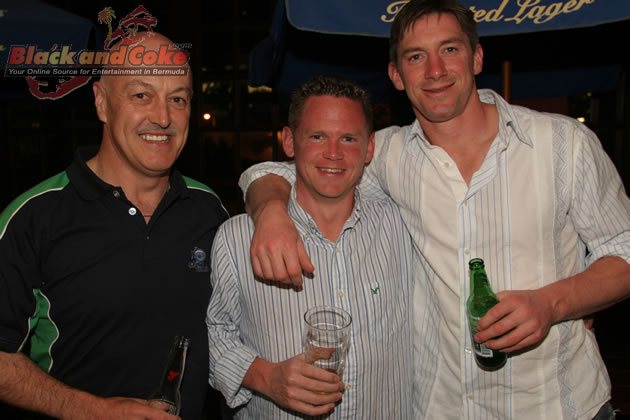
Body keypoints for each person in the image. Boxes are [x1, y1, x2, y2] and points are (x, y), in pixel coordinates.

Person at [238, 1, 630, 419]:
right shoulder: (387, 155)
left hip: (557, 406)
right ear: (396, 75)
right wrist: (272, 212)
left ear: (476, 58)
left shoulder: (563, 144)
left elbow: (623, 251)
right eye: (415, 57)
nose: (435, 70)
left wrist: (554, 303)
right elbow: (289, 170)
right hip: (441, 408)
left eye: (450, 49)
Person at [0, 32, 228, 419]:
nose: (163, 117)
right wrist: (91, 410)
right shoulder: (33, 218)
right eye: (141, 95)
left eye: (178, 99)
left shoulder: (209, 210)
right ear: (101, 102)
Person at [206, 76, 415, 419]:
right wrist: (266, 377)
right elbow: (216, 332)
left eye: (348, 138)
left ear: (369, 148)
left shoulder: (403, 225)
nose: (333, 153)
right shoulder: (237, 238)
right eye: (317, 136)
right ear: (289, 141)